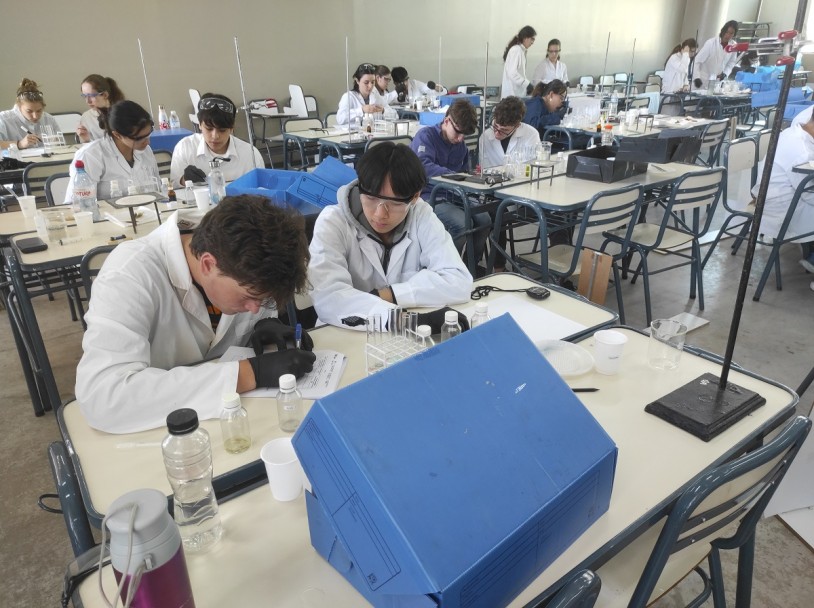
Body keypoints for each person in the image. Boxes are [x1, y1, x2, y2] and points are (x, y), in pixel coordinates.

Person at [76, 195, 316, 434]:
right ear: (208, 264)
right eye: (250, 297)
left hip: (237, 422)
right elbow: (103, 397)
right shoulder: (129, 274)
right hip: (156, 435)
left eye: (263, 301)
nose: (255, 308)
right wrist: (248, 373)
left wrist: (264, 324)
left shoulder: (242, 264)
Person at [308, 142, 472, 328]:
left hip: (403, 338)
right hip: (344, 335)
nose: (380, 214)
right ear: (360, 187)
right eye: (371, 198)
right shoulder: (332, 222)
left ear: (415, 197)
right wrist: (403, 320)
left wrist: (389, 294)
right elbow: (329, 299)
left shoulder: (421, 215)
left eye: (394, 204)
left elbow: (458, 280)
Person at [409, 99, 491, 267]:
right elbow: (423, 167)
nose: (461, 139)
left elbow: (464, 173)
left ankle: (470, 267)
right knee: (461, 223)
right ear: (447, 121)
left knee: (484, 219)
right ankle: (446, 269)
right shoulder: (426, 136)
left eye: (464, 135)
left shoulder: (460, 146)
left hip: (453, 195)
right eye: (458, 133)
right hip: (427, 195)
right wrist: (454, 176)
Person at [481, 96, 543, 269]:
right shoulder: (486, 137)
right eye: (495, 127)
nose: (497, 133)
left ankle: (559, 269)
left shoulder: (530, 134)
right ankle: (498, 268)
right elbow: (485, 172)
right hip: (497, 192)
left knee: (558, 215)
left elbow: (535, 168)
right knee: (496, 213)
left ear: (517, 125)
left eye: (504, 130)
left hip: (526, 192)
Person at [752, 114, 814, 272]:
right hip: (780, 210)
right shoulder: (802, 152)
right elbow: (808, 194)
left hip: (770, 194)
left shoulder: (793, 131)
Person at [64, 100, 161, 202]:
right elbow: (78, 204)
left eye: (148, 134)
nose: (147, 142)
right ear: (117, 135)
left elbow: (158, 190)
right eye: (139, 138)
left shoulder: (146, 151)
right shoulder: (91, 155)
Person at [170, 93, 264, 188]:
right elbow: (173, 186)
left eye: (222, 130)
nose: (215, 136)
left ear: (232, 128)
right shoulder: (185, 147)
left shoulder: (250, 155)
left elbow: (262, 189)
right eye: (209, 129)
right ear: (200, 124)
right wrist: (184, 179)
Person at [0, 78, 60, 150]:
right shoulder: (3, 119)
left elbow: (60, 144)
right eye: (29, 111)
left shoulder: (49, 119)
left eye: (39, 111)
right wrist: (20, 144)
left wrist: (56, 141)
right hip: (15, 160)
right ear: (19, 106)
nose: (35, 116)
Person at [76, 74, 125, 143]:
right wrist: (86, 139)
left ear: (105, 95)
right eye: (84, 96)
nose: (88, 101)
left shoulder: (123, 113)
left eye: (91, 96)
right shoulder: (86, 117)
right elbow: (88, 149)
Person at [692, 20, 739, 89]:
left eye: (731, 33)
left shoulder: (733, 46)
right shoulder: (711, 43)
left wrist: (725, 73)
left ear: (734, 34)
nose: (728, 35)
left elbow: (731, 63)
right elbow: (696, 61)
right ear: (723, 31)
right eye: (727, 32)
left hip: (716, 82)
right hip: (702, 80)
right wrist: (696, 78)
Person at [501, 25, 536, 99]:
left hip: (516, 95)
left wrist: (526, 87)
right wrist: (527, 84)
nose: (533, 42)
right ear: (525, 38)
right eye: (532, 39)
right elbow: (512, 73)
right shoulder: (516, 50)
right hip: (512, 95)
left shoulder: (520, 50)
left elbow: (519, 74)